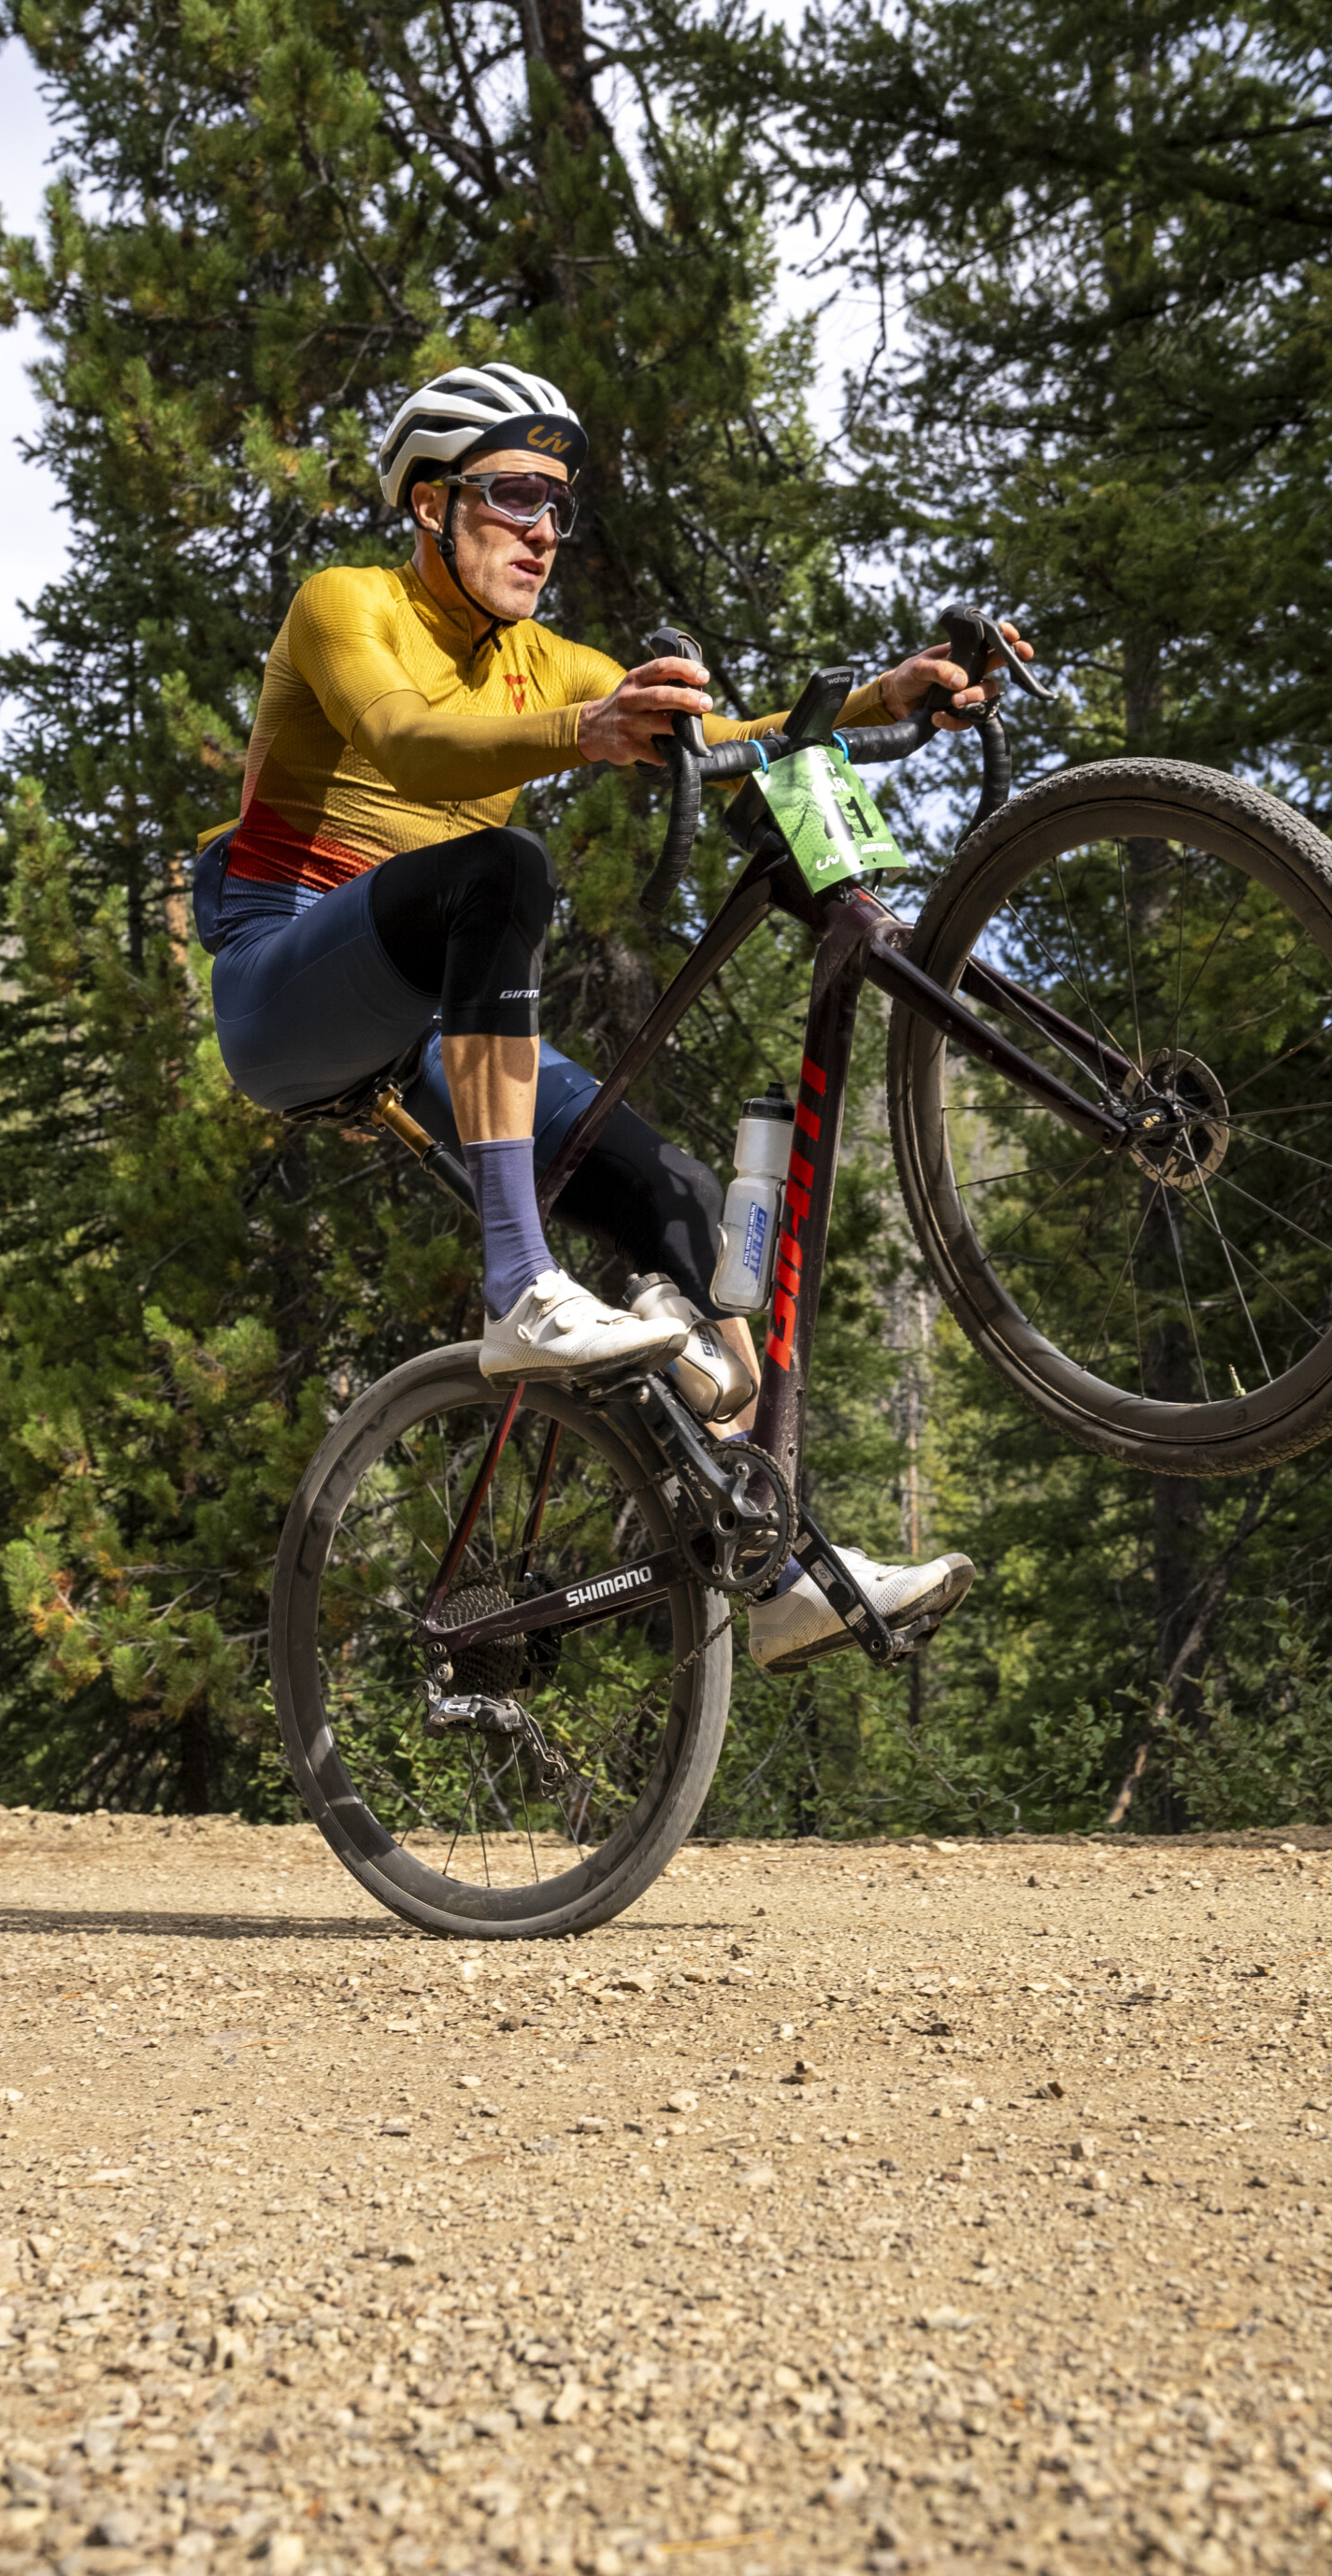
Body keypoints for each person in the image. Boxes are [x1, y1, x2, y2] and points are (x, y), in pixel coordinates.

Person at [197, 363, 1010, 1672]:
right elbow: (406, 741)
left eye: (558, 506)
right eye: (513, 496)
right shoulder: (347, 605)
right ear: (429, 505)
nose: (544, 531)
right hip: (283, 979)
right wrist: (585, 729)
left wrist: (878, 701)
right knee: (502, 872)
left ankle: (774, 1574)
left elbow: (727, 740)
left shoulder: (549, 660)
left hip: (429, 1018)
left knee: (684, 1202)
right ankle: (520, 1287)